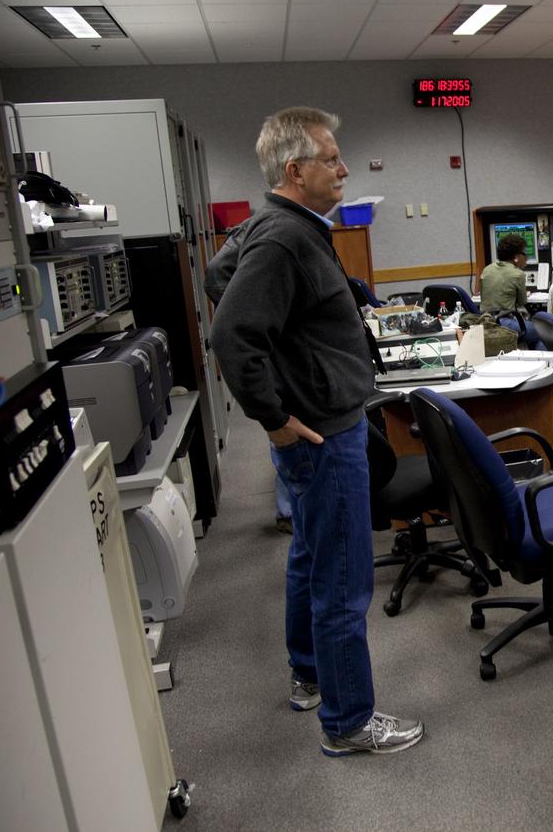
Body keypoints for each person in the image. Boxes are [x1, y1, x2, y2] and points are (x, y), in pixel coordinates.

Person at [210, 106, 424, 757]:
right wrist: (274, 416)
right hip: (320, 432)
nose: (344, 167)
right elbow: (232, 332)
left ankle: (308, 672)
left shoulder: (279, 226)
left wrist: (293, 364)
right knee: (342, 577)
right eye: (332, 158)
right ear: (296, 169)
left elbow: (223, 274)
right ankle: (349, 721)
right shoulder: (283, 236)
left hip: (322, 422)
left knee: (309, 556)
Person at [480, 232, 538, 347]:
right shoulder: (518, 274)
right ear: (516, 257)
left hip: (485, 322)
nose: (526, 258)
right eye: (524, 254)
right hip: (505, 322)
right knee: (543, 334)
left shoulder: (487, 269)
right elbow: (522, 302)